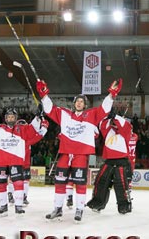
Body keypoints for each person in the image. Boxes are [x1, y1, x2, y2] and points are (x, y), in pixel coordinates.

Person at [37, 78, 120, 222]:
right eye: (77, 101)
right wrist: (43, 95)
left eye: (82, 101)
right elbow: (50, 109)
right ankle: (57, 208)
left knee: (80, 183)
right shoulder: (65, 114)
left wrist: (112, 94)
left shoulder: (91, 115)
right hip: (65, 154)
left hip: (80, 155)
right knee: (60, 181)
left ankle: (79, 209)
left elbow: (104, 109)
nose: (79, 103)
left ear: (85, 104)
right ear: (74, 103)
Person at [0, 108, 47, 217]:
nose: (10, 119)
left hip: (15, 161)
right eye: (8, 117)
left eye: (12, 117)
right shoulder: (0, 128)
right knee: (1, 184)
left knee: (18, 183)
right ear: (5, 118)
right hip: (1, 161)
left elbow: (33, 129)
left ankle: (18, 206)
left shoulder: (22, 129)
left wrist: (38, 117)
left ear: (15, 118)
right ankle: (3, 206)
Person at [87, 112, 134, 214]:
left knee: (121, 185)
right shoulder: (109, 130)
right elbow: (102, 125)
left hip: (122, 161)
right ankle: (97, 203)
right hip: (109, 161)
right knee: (100, 182)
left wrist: (116, 116)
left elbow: (126, 126)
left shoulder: (126, 132)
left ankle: (124, 206)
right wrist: (106, 116)